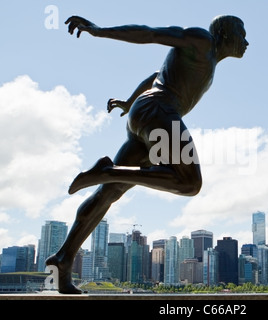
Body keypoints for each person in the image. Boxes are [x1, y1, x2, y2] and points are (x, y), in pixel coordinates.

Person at [46, 14, 248, 294]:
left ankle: (63, 258)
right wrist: (99, 30)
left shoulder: (208, 60)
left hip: (145, 113)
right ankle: (106, 171)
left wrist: (129, 103)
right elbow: (151, 33)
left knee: (108, 194)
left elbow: (156, 76)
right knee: (189, 183)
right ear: (226, 33)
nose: (246, 42)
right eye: (242, 33)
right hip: (159, 110)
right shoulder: (202, 41)